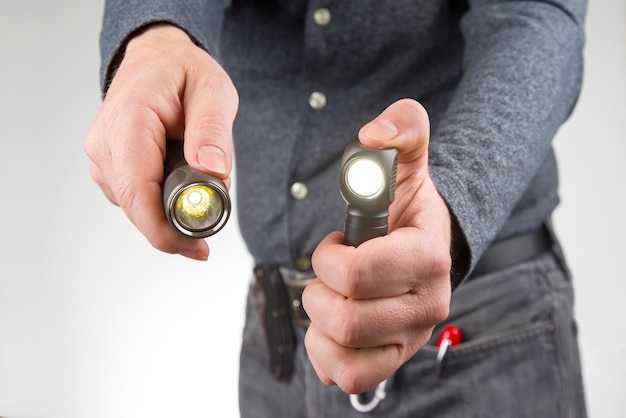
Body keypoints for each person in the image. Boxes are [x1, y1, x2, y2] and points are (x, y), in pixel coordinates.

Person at [84, 0, 588, 416]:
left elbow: (534, 17)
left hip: (477, 329)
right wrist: (155, 34)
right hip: (277, 342)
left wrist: (452, 201)